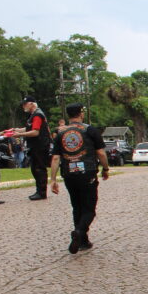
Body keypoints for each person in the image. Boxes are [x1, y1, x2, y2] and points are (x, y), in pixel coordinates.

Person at [49, 103, 109, 253]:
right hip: (87, 172)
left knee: (77, 207)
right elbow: (101, 153)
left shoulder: (61, 133)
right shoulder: (90, 130)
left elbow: (55, 158)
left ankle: (83, 240)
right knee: (89, 209)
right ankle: (80, 232)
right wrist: (105, 168)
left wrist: (53, 179)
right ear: (81, 114)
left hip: (69, 173)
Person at [10, 97, 51, 200]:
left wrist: (20, 135)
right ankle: (39, 191)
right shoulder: (34, 115)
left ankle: (41, 192)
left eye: (25, 104)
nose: (23, 106)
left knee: (39, 169)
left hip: (39, 146)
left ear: (32, 104)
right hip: (36, 146)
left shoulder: (37, 115)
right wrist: (18, 130)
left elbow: (35, 132)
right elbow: (30, 128)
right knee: (35, 168)